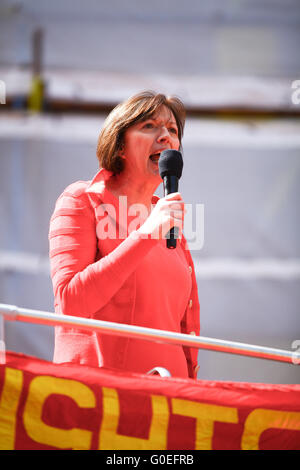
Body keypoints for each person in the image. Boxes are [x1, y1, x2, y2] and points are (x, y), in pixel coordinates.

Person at [49, 91, 200, 379]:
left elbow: (183, 329)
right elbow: (70, 302)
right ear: (119, 145)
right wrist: (146, 234)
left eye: (172, 130)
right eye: (149, 126)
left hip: (170, 400)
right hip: (101, 399)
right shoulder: (82, 200)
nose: (166, 136)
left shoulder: (170, 224)